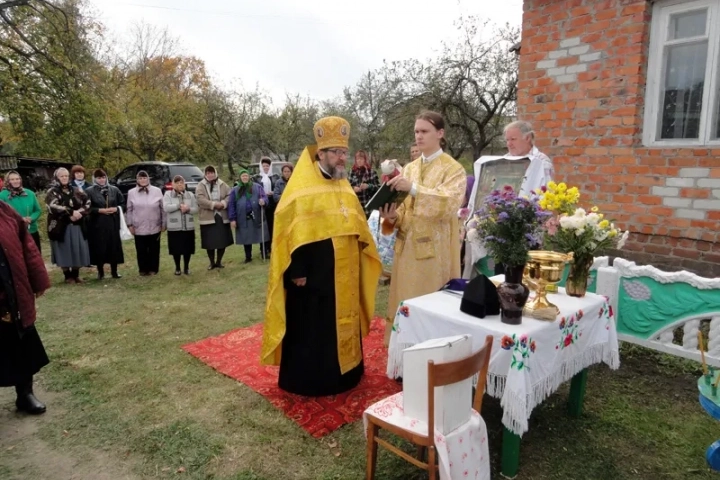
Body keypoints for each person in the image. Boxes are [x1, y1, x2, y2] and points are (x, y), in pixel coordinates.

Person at [260, 116, 382, 396]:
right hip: (313, 276)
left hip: (345, 272)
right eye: (336, 153)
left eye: (344, 153)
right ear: (320, 153)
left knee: (342, 320)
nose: (342, 159)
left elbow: (355, 223)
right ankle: (315, 380)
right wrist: (298, 270)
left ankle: (348, 373)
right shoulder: (302, 187)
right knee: (315, 327)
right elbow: (293, 229)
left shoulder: (343, 184)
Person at [379, 111, 467, 345]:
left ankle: (430, 354)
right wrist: (391, 216)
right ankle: (403, 355)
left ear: (440, 133)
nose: (419, 136)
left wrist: (415, 188)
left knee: (428, 303)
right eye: (416, 131)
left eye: (424, 131)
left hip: (434, 253)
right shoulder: (410, 168)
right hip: (406, 248)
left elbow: (450, 203)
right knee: (405, 300)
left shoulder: (453, 169)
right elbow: (405, 208)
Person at [0, 200, 51, 414]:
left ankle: (25, 394)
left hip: (13, 294)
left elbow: (28, 247)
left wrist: (38, 279)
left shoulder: (5, 211)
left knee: (21, 344)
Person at [45, 168, 91, 284]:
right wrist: (70, 213)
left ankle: (76, 275)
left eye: (66, 176)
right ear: (57, 178)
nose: (64, 178)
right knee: (63, 249)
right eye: (62, 176)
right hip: (61, 226)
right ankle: (67, 276)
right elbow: (52, 206)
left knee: (77, 248)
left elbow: (88, 203)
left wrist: (79, 213)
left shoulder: (77, 190)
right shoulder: (52, 191)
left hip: (77, 224)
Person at [85, 169, 125, 280]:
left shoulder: (114, 189)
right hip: (97, 224)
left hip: (112, 223)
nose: (101, 180)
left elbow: (123, 203)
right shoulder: (89, 191)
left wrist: (116, 209)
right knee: (99, 248)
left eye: (103, 177)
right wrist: (99, 210)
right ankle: (100, 272)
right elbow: (86, 208)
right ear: (94, 179)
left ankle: (114, 271)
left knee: (113, 247)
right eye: (98, 178)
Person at [125, 170, 166, 276]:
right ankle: (143, 269)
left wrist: (163, 223)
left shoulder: (157, 191)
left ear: (148, 179)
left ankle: (153, 269)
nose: (143, 180)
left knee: (154, 249)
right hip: (139, 226)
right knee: (141, 249)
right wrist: (129, 224)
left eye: (144, 178)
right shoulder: (131, 192)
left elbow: (163, 208)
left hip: (154, 225)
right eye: (140, 178)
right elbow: (129, 210)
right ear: (137, 180)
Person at [196, 165, 233, 269]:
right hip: (208, 217)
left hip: (221, 216)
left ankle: (219, 261)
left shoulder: (223, 184)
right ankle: (211, 262)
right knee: (210, 242)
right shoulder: (200, 185)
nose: (210, 175)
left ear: (215, 173)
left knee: (222, 240)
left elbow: (229, 195)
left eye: (212, 172)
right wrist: (213, 204)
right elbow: (200, 199)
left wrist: (223, 203)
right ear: (205, 174)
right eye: (208, 173)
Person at [503, 120, 554, 197]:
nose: (509, 144)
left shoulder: (542, 161)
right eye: (507, 140)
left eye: (513, 139)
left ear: (527, 138)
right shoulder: (503, 161)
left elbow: (547, 194)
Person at [0, 170, 43, 254]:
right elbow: (2, 215)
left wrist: (31, 218)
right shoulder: (2, 196)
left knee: (35, 256)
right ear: (7, 181)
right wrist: (19, 220)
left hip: (31, 230)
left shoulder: (30, 193)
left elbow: (37, 210)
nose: (15, 181)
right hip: (14, 232)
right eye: (12, 179)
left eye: (17, 179)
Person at [163, 175, 198, 275]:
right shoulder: (168, 195)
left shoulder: (190, 195)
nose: (180, 184)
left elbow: (196, 209)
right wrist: (178, 206)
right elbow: (166, 207)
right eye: (177, 182)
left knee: (188, 248)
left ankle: (186, 267)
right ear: (173, 184)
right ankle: (177, 268)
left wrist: (188, 209)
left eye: (181, 182)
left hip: (188, 226)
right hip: (175, 227)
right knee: (176, 248)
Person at [254, 157, 279, 259]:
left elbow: (277, 188)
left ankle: (272, 248)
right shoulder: (257, 177)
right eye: (264, 166)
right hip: (262, 204)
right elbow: (255, 190)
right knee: (263, 227)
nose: (266, 168)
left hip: (272, 203)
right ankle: (263, 249)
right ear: (261, 166)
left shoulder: (275, 176)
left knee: (272, 226)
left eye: (267, 166)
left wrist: (273, 192)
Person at [348, 150, 380, 216]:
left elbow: (378, 189)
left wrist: (369, 186)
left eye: (361, 159)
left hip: (369, 208)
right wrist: (353, 189)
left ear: (365, 160)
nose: (359, 161)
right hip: (355, 208)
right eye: (357, 159)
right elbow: (346, 188)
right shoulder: (352, 172)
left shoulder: (371, 172)